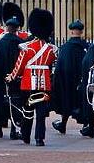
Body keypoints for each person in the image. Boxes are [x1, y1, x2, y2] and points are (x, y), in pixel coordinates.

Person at [6, 8, 57, 146]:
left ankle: (26, 136)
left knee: (28, 110)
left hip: (28, 83)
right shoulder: (50, 49)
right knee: (41, 113)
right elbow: (52, 64)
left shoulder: (27, 47)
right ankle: (39, 139)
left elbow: (19, 66)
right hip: (44, 83)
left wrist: (11, 77)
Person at [0, 14, 25, 139]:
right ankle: (14, 130)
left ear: (7, 28)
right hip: (16, 78)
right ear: (17, 29)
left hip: (0, 78)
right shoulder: (22, 44)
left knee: (0, 102)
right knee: (15, 103)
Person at [51, 19, 90, 134]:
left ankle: (63, 124)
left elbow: (59, 67)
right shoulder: (86, 46)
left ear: (71, 32)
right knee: (83, 102)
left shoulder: (65, 47)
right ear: (81, 32)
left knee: (66, 101)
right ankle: (86, 126)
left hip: (67, 80)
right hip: (82, 79)